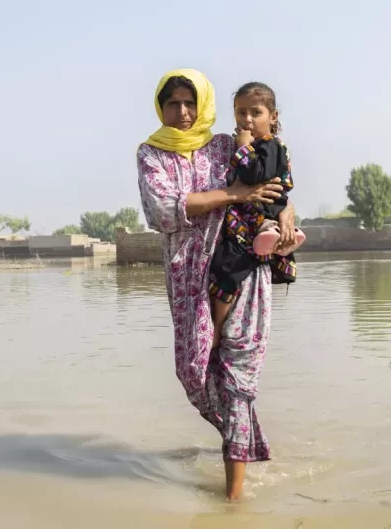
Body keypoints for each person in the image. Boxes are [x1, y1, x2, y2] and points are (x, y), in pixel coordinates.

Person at [135, 69, 298, 501]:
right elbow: (163, 211)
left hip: (241, 263)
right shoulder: (151, 154)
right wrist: (235, 195)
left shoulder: (226, 144)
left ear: (202, 105)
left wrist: (285, 213)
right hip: (188, 274)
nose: (183, 112)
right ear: (161, 107)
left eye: (191, 102)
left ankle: (234, 496)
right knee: (193, 371)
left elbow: (272, 178)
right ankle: (244, 440)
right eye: (173, 103)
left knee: (236, 379)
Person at [208, 82, 306, 350]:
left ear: (273, 117)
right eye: (240, 113)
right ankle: (270, 235)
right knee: (227, 269)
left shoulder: (268, 146)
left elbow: (252, 176)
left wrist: (243, 146)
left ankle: (216, 327)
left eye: (255, 112)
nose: (247, 120)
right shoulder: (255, 145)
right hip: (254, 219)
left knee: (227, 269)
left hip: (253, 219)